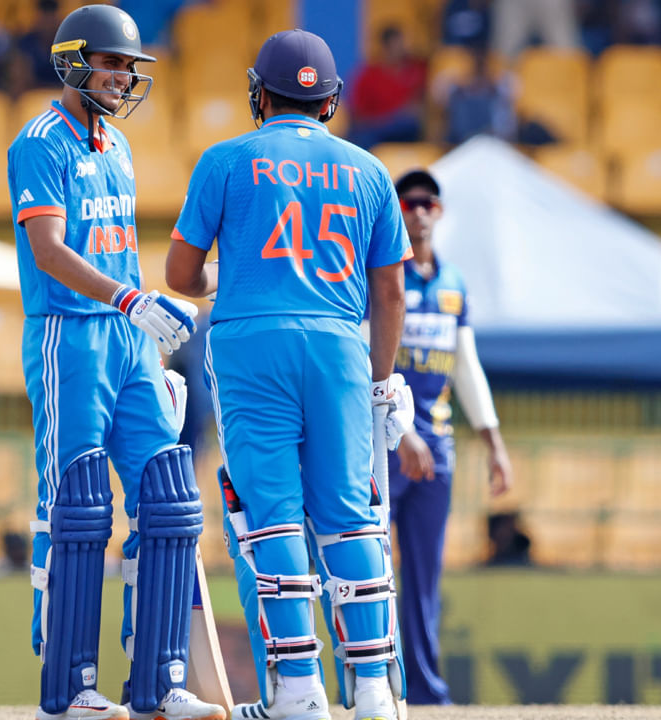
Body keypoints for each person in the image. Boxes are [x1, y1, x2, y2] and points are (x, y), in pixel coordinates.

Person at [166, 29, 416, 720]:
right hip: (339, 344)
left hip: (250, 344)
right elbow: (391, 291)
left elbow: (180, 275)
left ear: (260, 94)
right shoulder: (369, 170)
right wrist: (381, 381)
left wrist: (235, 277)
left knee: (270, 518)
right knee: (351, 516)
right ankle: (374, 692)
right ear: (330, 100)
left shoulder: (224, 160)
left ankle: (299, 692)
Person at [5, 6, 222, 720]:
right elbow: (49, 251)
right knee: (77, 506)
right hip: (69, 337)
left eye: (130, 67)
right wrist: (130, 299)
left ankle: (160, 681)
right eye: (112, 64)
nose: (124, 77)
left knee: (169, 498)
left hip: (128, 341)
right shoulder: (40, 143)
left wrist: (145, 310)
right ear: (73, 62)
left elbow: (116, 248)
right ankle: (70, 687)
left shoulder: (119, 145)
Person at [385, 169, 512, 705]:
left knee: (424, 573)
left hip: (437, 446)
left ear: (439, 212)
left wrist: (494, 443)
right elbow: (367, 361)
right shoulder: (381, 275)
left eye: (428, 203)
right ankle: (372, 685)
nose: (418, 211)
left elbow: (466, 365)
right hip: (384, 443)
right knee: (368, 568)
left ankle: (424, 692)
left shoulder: (454, 283)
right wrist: (400, 428)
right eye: (408, 202)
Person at [347, 25, 427, 150]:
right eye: (396, 45)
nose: (402, 49)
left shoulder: (416, 68)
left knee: (409, 122)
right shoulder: (369, 76)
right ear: (386, 47)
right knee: (361, 136)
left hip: (408, 130)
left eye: (402, 44)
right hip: (377, 128)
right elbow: (358, 116)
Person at [13, 0, 65, 92]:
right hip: (32, 96)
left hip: (62, 95)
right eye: (45, 16)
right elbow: (21, 82)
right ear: (37, 16)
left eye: (51, 16)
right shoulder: (25, 44)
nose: (48, 21)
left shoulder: (67, 44)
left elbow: (73, 82)